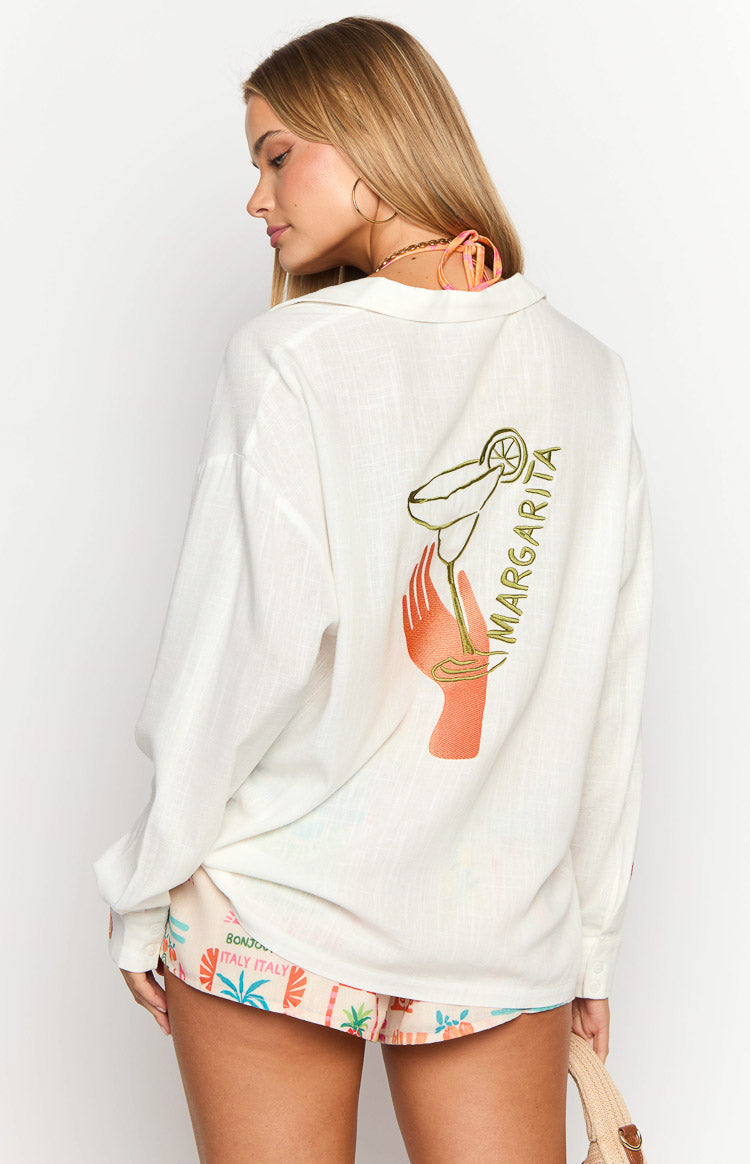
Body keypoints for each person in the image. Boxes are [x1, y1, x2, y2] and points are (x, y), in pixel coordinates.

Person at [92, 16, 654, 1164]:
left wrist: (144, 886)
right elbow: (608, 688)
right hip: (498, 923)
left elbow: (234, 661)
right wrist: (588, 942)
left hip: (275, 912)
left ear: (370, 138)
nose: (256, 198)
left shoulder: (291, 357)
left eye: (276, 154)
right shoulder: (589, 376)